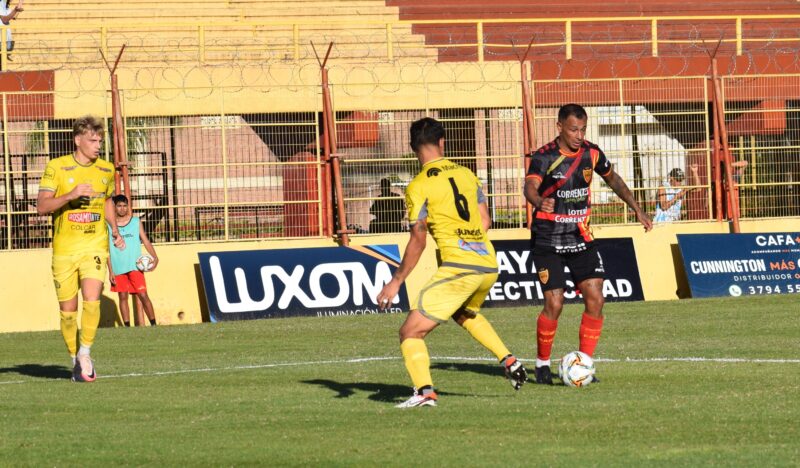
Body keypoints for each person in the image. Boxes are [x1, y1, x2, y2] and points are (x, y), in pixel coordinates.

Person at [376, 117, 528, 408]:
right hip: (487, 263)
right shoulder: (467, 174)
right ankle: (509, 360)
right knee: (463, 313)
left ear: (413, 148)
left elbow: (418, 239)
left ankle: (424, 393)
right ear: (442, 142)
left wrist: (395, 282)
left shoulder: (418, 185)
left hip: (460, 267)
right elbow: (485, 220)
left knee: (410, 332)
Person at [524, 104, 652, 385]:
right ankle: (542, 364)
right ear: (559, 127)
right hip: (548, 239)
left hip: (581, 237)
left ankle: (583, 364)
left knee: (596, 298)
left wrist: (637, 209)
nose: (579, 135)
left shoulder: (591, 153)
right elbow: (529, 186)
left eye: (583, 129)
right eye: (573, 130)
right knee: (555, 302)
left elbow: (613, 179)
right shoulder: (545, 157)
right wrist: (538, 201)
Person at [36, 116, 125, 383]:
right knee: (68, 313)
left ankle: (85, 352)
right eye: (92, 140)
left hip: (94, 246)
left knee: (92, 299)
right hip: (65, 250)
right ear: (77, 140)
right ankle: (75, 358)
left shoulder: (106, 169)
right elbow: (42, 206)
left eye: (100, 141)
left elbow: (107, 202)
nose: (98, 145)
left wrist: (115, 230)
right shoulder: (57, 167)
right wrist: (70, 196)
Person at [107, 194, 159, 327]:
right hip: (118, 267)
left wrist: (155, 257)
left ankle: (154, 324)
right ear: (114, 208)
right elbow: (106, 250)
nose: (122, 209)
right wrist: (110, 271)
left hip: (135, 266)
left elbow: (145, 240)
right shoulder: (108, 226)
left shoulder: (136, 222)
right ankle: (127, 327)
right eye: (119, 206)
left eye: (125, 206)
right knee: (123, 297)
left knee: (143, 295)